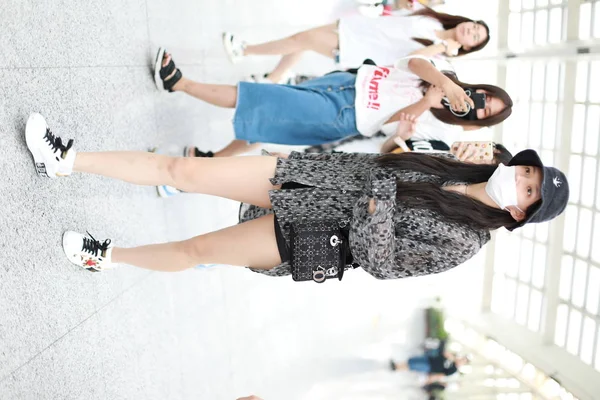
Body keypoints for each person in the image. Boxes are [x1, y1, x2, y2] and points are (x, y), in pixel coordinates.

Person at [25, 112, 568, 278]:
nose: (520, 180)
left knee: (197, 251)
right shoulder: (457, 161)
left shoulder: (464, 243)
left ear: (520, 212)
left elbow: (381, 262)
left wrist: (380, 197)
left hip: (307, 233)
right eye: (527, 173)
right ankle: (67, 159)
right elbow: (385, 153)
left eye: (528, 191)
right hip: (306, 173)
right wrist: (433, 148)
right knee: (182, 170)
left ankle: (107, 256)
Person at [154, 51, 512, 162]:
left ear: (479, 123)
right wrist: (445, 84)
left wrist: (427, 102)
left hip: (346, 115)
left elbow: (388, 129)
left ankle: (180, 84)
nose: (478, 105)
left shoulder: (442, 128)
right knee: (269, 122)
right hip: (345, 82)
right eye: (483, 97)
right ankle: (211, 162)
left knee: (262, 99)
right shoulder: (445, 72)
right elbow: (414, 62)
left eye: (485, 111)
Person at [222, 6, 489, 84]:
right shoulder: (432, 17)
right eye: (475, 26)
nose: (471, 31)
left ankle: (244, 50)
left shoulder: (439, 56)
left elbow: (412, 59)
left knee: (299, 40)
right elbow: (398, 10)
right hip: (358, 27)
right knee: (301, 40)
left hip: (357, 48)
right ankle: (274, 77)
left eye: (475, 37)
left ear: (468, 47)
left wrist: (443, 48)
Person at [390, 340, 470, 383]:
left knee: (414, 365)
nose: (461, 360)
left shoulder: (453, 370)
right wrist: (453, 358)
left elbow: (441, 375)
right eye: (462, 358)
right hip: (430, 359)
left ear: (463, 364)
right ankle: (397, 365)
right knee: (412, 360)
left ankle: (397, 367)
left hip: (430, 367)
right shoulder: (453, 356)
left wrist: (430, 379)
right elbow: (444, 353)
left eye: (463, 361)